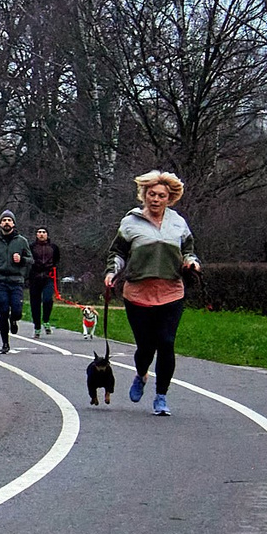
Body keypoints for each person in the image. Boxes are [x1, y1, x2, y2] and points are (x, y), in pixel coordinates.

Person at [104, 172, 200, 416]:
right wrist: (112, 273)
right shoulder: (130, 223)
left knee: (166, 343)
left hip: (171, 292)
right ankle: (141, 374)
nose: (156, 199)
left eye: (161, 196)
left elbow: (189, 251)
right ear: (144, 195)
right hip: (138, 293)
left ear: (170, 198)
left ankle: (161, 396)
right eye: (152, 195)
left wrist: (192, 263)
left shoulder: (178, 223)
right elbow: (118, 253)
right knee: (145, 347)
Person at [0, 210, 32, 355]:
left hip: (16, 280)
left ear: (13, 223)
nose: (7, 223)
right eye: (4, 220)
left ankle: (14, 320)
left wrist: (22, 260)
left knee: (17, 311)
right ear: (0, 224)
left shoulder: (21, 241)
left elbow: (31, 260)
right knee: (3, 311)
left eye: (9, 220)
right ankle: (5, 343)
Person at [29, 226, 62, 336]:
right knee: (35, 303)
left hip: (48, 277)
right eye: (39, 232)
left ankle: (46, 320)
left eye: (43, 232)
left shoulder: (53, 247)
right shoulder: (32, 247)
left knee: (48, 299)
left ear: (47, 235)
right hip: (35, 277)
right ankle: (37, 326)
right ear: (36, 235)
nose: (41, 234)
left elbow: (56, 260)